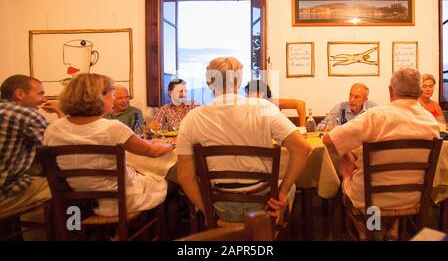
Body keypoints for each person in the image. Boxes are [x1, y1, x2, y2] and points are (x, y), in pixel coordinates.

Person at [176, 57, 312, 222]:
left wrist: (208, 212)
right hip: (264, 205)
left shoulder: (191, 118)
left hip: (222, 207)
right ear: (238, 81)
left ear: (209, 83)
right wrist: (282, 192)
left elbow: (184, 176)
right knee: (289, 187)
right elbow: (302, 149)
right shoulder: (264, 108)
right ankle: (269, 230)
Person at [44, 73, 173, 216]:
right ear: (98, 97)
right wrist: (171, 145)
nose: (114, 98)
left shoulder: (53, 129)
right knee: (162, 181)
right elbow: (153, 151)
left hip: (77, 202)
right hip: (115, 202)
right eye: (112, 94)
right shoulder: (112, 128)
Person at [323, 68, 439, 214]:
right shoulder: (431, 121)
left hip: (371, 198)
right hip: (414, 198)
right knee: (399, 187)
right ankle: (393, 230)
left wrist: (346, 157)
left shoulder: (376, 116)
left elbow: (328, 140)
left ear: (391, 91)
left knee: (347, 179)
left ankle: (368, 231)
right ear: (420, 93)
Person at [0, 75, 62, 213]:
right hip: (4, 193)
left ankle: (15, 233)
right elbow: (59, 147)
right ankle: (70, 230)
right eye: (40, 94)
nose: (44, 100)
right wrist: (61, 111)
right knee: (66, 184)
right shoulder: (26, 114)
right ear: (20, 94)